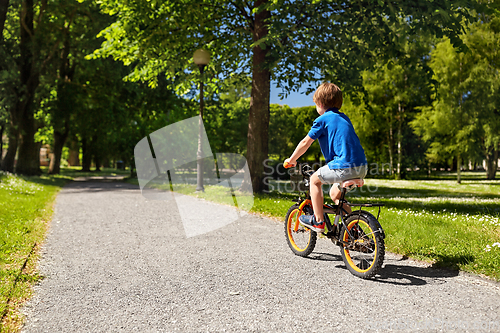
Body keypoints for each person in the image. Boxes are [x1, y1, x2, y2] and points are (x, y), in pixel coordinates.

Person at [284, 82, 368, 233]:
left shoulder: (322, 120)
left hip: (343, 166)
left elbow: (305, 142)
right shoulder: (344, 118)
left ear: (320, 104)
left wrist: (292, 159)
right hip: (362, 167)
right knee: (335, 194)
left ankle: (318, 220)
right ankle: (353, 228)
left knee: (314, 181)